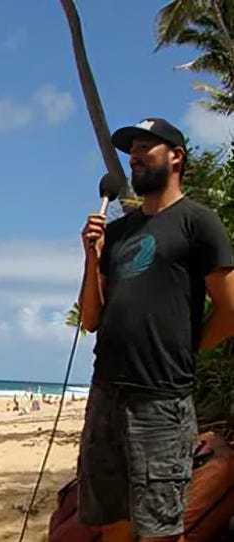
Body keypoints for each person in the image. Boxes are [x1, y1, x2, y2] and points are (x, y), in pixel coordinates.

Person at [78, 118, 234, 542]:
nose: (135, 156)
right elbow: (91, 318)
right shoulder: (117, 231)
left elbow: (231, 307)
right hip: (106, 393)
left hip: (161, 400)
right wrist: (92, 259)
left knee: (161, 528)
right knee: (113, 520)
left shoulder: (197, 222)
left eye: (147, 146)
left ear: (176, 157)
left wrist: (190, 345)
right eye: (132, 149)